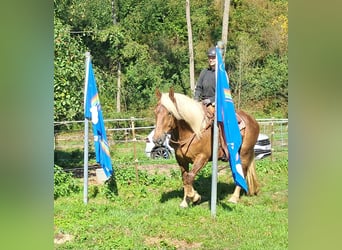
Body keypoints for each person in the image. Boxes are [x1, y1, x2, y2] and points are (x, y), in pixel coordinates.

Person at [194, 46, 217, 115]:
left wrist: (211, 100)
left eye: (213, 58)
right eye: (209, 57)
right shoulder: (204, 72)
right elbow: (198, 88)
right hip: (203, 103)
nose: (211, 60)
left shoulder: (221, 74)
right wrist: (196, 99)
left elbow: (223, 93)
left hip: (217, 103)